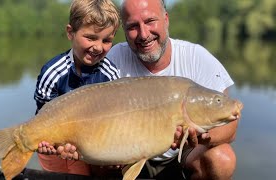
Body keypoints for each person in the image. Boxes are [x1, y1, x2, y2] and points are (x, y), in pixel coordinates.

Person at [52, 0, 239, 179]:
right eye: (133, 26)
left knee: (222, 159)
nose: (143, 34)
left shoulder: (196, 57)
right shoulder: (111, 60)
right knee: (94, 162)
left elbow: (230, 128)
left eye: (150, 21)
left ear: (166, 19)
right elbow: (84, 109)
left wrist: (199, 136)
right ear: (124, 30)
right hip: (124, 152)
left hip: (181, 156)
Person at [33, 0, 120, 176]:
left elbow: (113, 121)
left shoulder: (110, 75)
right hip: (58, 147)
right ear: (70, 32)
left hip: (96, 143)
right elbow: (42, 118)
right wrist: (53, 145)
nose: (98, 47)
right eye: (91, 37)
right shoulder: (53, 73)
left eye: (107, 40)